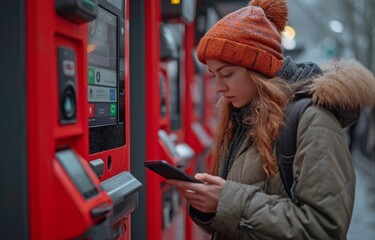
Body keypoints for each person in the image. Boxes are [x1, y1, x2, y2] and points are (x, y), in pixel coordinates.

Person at [166, 0, 375, 239]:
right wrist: (209, 207)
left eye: (227, 74)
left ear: (259, 69)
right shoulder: (243, 117)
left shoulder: (313, 120)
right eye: (214, 75)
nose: (218, 88)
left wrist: (227, 201)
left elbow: (323, 228)